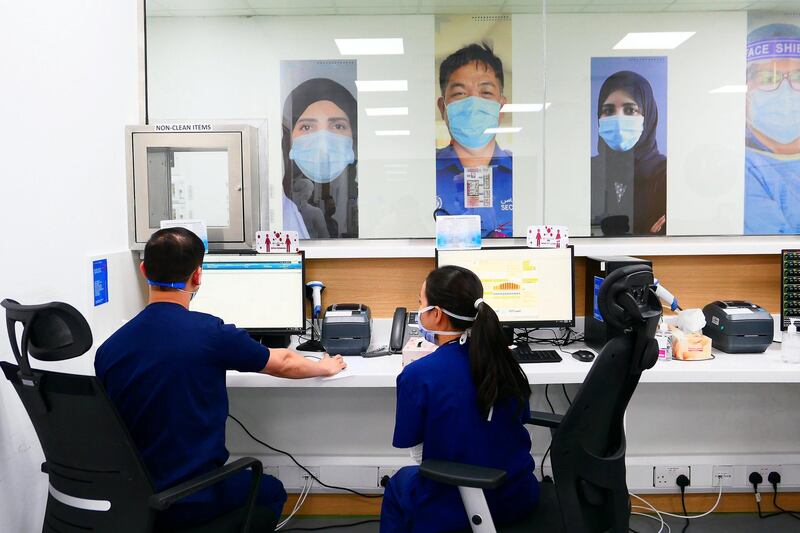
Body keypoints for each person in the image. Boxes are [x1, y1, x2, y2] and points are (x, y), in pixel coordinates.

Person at [95, 227, 347, 529]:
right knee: (269, 491)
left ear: (144, 269)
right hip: (191, 497)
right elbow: (284, 363)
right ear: (198, 276)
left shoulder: (109, 348)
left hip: (131, 500)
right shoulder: (210, 334)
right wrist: (326, 366)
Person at [380, 266, 539, 532]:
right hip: (518, 495)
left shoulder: (418, 374)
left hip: (454, 506)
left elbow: (419, 457)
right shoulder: (504, 360)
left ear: (437, 315)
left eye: (421, 303)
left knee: (400, 483)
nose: (419, 310)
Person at [436, 43, 513, 238]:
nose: (472, 105)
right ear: (443, 108)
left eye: (486, 93)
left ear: (501, 107)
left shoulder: (523, 175)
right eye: (460, 94)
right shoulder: (424, 173)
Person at [590, 70, 667, 236]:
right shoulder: (589, 171)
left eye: (630, 110)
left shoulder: (664, 174)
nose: (618, 119)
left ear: (648, 116)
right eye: (609, 111)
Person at [282, 77, 358, 238]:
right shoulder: (281, 210)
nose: (322, 148)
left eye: (338, 126)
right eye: (307, 127)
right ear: (290, 143)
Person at [744, 22, 800, 234]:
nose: (786, 91)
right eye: (768, 78)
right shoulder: (743, 170)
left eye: (798, 77)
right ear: (747, 91)